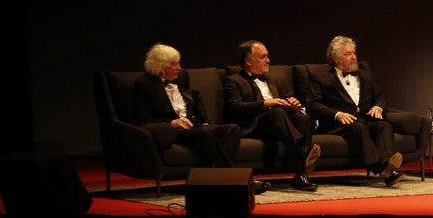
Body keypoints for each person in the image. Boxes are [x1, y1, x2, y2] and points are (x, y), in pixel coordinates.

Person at [130, 43, 263, 189]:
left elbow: (192, 101)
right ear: (159, 66)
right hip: (173, 131)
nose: (179, 68)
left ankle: (222, 179)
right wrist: (171, 123)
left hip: (193, 126)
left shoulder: (181, 78)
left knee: (232, 129)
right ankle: (236, 182)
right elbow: (142, 119)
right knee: (205, 134)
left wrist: (204, 121)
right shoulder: (143, 84)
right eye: (174, 64)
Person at [305, 35, 405, 186]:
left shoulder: (365, 74)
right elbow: (313, 105)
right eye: (348, 54)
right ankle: (382, 169)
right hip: (338, 124)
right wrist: (337, 114)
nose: (354, 57)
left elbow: (380, 97)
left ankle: (386, 164)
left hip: (365, 118)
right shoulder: (321, 77)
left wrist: (378, 107)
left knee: (383, 126)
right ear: (336, 58)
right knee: (358, 128)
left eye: (354, 53)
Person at [223, 39, 321, 192]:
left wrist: (292, 105)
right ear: (248, 61)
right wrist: (266, 104)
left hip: (278, 125)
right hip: (254, 126)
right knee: (276, 112)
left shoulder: (271, 80)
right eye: (263, 57)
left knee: (302, 117)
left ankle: (300, 176)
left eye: (267, 56)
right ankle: (303, 152)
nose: (268, 60)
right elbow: (235, 108)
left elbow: (282, 103)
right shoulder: (233, 80)